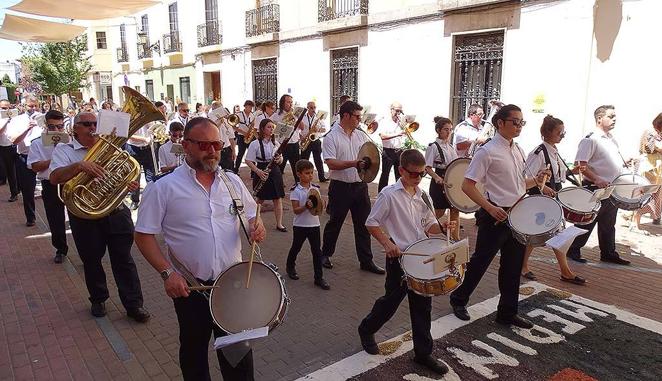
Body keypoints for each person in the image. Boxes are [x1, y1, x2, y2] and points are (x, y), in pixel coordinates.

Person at [134, 117, 265, 381]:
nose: (213, 151)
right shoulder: (163, 188)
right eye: (204, 145)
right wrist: (166, 273)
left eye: (217, 144)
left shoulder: (232, 182)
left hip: (232, 285)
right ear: (186, 145)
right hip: (191, 288)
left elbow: (253, 215)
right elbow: (143, 235)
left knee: (238, 354)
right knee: (194, 352)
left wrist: (257, 225)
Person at [449, 104, 552, 328]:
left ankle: (507, 312)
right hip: (494, 215)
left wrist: (538, 179)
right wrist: (489, 207)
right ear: (500, 123)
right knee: (481, 261)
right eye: (515, 122)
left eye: (522, 122)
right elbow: (467, 185)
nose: (519, 126)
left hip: (516, 216)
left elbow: (518, 185)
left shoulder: (518, 150)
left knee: (513, 266)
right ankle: (458, 299)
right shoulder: (487, 151)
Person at [49, 112, 150, 322]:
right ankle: (98, 299)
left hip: (115, 212)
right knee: (92, 260)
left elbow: (127, 172)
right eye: (87, 124)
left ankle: (134, 304)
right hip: (84, 216)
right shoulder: (64, 150)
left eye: (96, 123)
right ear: (75, 128)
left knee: (124, 260)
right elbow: (54, 177)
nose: (92, 127)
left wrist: (127, 185)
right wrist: (79, 166)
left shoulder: (110, 147)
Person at [358, 149, 451, 375]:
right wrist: (387, 244)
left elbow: (429, 226)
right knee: (391, 301)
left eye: (421, 175)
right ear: (401, 171)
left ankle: (423, 353)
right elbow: (371, 223)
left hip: (421, 258)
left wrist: (442, 227)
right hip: (399, 258)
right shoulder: (389, 195)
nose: (418, 179)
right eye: (413, 174)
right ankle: (367, 328)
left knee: (422, 307)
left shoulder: (423, 196)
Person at [321, 100, 385, 274]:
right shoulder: (331, 137)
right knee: (335, 222)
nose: (359, 119)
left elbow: (368, 156)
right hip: (340, 187)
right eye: (357, 116)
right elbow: (331, 163)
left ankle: (366, 260)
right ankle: (325, 254)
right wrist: (353, 163)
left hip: (360, 186)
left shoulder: (361, 135)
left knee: (364, 224)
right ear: (346, 115)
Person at [521, 115, 585, 284]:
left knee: (554, 234)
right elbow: (528, 178)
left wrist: (575, 169)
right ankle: (527, 266)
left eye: (563, 132)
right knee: (537, 235)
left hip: (552, 199)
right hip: (540, 199)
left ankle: (564, 271)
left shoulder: (554, 151)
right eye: (559, 132)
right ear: (548, 132)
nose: (562, 135)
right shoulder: (539, 152)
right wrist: (545, 187)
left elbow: (559, 175)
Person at [566, 105, 632, 265]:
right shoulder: (590, 139)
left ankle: (608, 253)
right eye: (611, 116)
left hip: (611, 188)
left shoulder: (611, 139)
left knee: (608, 222)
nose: (614, 119)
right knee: (587, 220)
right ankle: (572, 249)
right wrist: (596, 179)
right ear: (599, 119)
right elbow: (580, 165)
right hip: (595, 187)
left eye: (615, 116)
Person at [27, 110, 69, 262]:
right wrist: (55, 159)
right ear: (46, 126)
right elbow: (34, 166)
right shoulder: (38, 143)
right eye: (52, 127)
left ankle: (86, 252)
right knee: (55, 218)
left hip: (70, 183)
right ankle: (60, 249)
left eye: (60, 127)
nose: (57, 130)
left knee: (79, 219)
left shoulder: (71, 141)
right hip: (50, 184)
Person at [285, 159, 330, 290]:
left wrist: (323, 204)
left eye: (311, 172)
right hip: (300, 226)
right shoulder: (295, 190)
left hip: (314, 225)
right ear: (299, 174)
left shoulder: (315, 188)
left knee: (317, 252)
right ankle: (290, 266)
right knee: (296, 247)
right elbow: (296, 210)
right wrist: (305, 206)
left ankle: (319, 278)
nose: (310, 175)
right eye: (306, 173)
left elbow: (319, 207)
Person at [245, 118, 287, 232]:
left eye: (273, 127)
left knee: (277, 198)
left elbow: (281, 159)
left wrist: (279, 159)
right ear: (262, 129)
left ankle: (279, 224)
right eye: (269, 127)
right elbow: (248, 160)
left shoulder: (276, 143)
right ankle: (255, 222)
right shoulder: (255, 144)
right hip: (261, 170)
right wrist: (258, 171)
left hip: (274, 172)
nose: (271, 129)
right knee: (260, 199)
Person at [424, 117, 460, 240]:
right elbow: (427, 167)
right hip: (439, 181)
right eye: (446, 129)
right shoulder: (432, 146)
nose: (449, 132)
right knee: (439, 211)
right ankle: (420, 229)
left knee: (455, 210)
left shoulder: (450, 147)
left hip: (451, 180)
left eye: (450, 129)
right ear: (438, 130)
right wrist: (437, 178)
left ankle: (455, 239)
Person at [11, 96, 42, 226]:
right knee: (28, 190)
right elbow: (14, 140)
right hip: (25, 156)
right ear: (24, 106)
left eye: (35, 106)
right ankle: (31, 217)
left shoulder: (43, 118)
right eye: (30, 106)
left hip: (42, 157)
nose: (33, 108)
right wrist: (27, 128)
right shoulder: (17, 120)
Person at [633, 112, 662, 228]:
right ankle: (636, 217)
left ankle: (656, 216)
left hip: (657, 167)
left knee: (658, 193)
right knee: (646, 192)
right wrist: (658, 147)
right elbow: (648, 148)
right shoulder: (651, 131)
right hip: (648, 166)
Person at [272, 94, 302, 183]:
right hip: (283, 144)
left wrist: (296, 117)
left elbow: (302, 127)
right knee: (279, 167)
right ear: (282, 103)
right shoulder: (276, 115)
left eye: (291, 102)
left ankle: (299, 185)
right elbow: (275, 132)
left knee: (296, 167)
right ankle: (278, 186)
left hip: (294, 143)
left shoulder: (295, 114)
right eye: (288, 102)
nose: (291, 104)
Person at [377, 102, 406, 192]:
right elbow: (383, 136)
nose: (398, 113)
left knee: (399, 175)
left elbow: (404, 134)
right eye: (397, 111)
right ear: (391, 110)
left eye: (400, 111)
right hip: (388, 151)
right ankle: (381, 194)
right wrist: (398, 134)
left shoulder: (400, 122)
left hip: (399, 151)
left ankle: (399, 194)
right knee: (385, 174)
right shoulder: (384, 121)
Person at [127, 123, 155, 210]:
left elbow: (153, 130)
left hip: (147, 148)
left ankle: (152, 199)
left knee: (150, 176)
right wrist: (144, 139)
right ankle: (135, 200)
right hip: (134, 148)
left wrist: (152, 128)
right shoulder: (132, 118)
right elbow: (129, 134)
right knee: (135, 176)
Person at [300, 101, 328, 182]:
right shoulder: (303, 117)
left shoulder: (318, 118)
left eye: (314, 107)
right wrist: (301, 138)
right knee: (304, 160)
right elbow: (299, 129)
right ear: (307, 108)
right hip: (306, 140)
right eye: (311, 107)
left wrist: (318, 129)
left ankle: (322, 177)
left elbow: (324, 129)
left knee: (318, 160)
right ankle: (303, 177)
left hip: (315, 140)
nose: (313, 109)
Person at [0, 99, 20, 201]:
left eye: (8, 107)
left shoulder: (15, 117)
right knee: (10, 171)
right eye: (3, 108)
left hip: (15, 145)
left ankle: (20, 189)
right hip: (4, 147)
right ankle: (14, 193)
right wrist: (6, 121)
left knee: (19, 169)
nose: (6, 110)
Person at [234, 100, 255, 173]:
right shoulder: (239, 114)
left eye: (251, 107)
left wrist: (251, 130)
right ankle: (236, 170)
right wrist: (243, 132)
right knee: (240, 154)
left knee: (252, 154)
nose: (250, 109)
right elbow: (233, 126)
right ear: (245, 106)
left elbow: (252, 126)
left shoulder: (252, 115)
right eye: (249, 107)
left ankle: (253, 172)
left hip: (249, 136)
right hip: (241, 136)